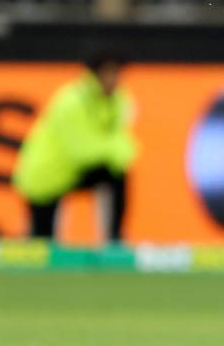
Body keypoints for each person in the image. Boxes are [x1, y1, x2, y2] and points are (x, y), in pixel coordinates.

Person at [12, 52, 139, 242]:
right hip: (46, 174)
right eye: (109, 73)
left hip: (73, 171)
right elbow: (80, 150)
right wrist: (119, 149)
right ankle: (11, 242)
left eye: (117, 73)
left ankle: (114, 239)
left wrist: (120, 150)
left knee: (115, 174)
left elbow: (119, 136)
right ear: (95, 74)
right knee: (41, 244)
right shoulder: (71, 101)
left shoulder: (119, 100)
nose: (114, 79)